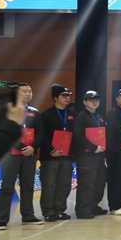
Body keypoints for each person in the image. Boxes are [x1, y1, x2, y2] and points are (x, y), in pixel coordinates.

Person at [0, 83, 44, 228]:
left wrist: (32, 147)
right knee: (7, 187)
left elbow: (40, 132)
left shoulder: (35, 112)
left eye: (30, 91)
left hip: (30, 154)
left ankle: (28, 215)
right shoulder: (7, 110)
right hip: (11, 154)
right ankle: (1, 220)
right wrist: (22, 147)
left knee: (28, 185)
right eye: (24, 91)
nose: (28, 93)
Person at [39, 83, 75, 222]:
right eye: (64, 95)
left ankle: (60, 210)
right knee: (48, 185)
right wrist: (51, 150)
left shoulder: (73, 114)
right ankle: (48, 212)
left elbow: (76, 135)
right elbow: (41, 136)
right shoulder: (46, 115)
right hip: (50, 157)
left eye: (69, 95)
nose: (67, 98)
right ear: (55, 98)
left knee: (64, 184)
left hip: (66, 156)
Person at [73, 91, 108, 219]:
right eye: (91, 100)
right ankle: (83, 210)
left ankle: (93, 206)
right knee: (86, 184)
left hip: (99, 155)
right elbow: (79, 137)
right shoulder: (81, 117)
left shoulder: (100, 117)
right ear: (84, 102)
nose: (94, 102)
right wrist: (93, 147)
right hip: (86, 156)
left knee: (99, 183)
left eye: (97, 100)